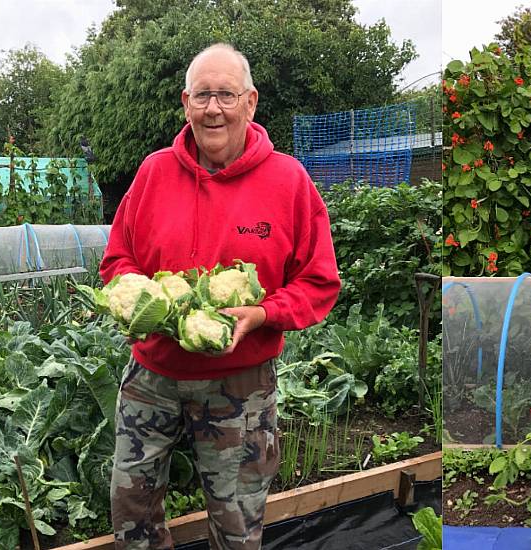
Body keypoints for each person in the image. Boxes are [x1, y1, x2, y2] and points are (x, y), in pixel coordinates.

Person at [100, 43, 341, 549]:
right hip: (153, 374)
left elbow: (319, 282)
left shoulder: (289, 181)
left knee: (237, 522)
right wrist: (143, 300)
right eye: (203, 95)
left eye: (226, 95)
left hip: (241, 383)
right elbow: (117, 260)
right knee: (131, 513)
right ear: (186, 102)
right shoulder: (152, 173)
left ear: (250, 102)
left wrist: (262, 312)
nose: (214, 109)